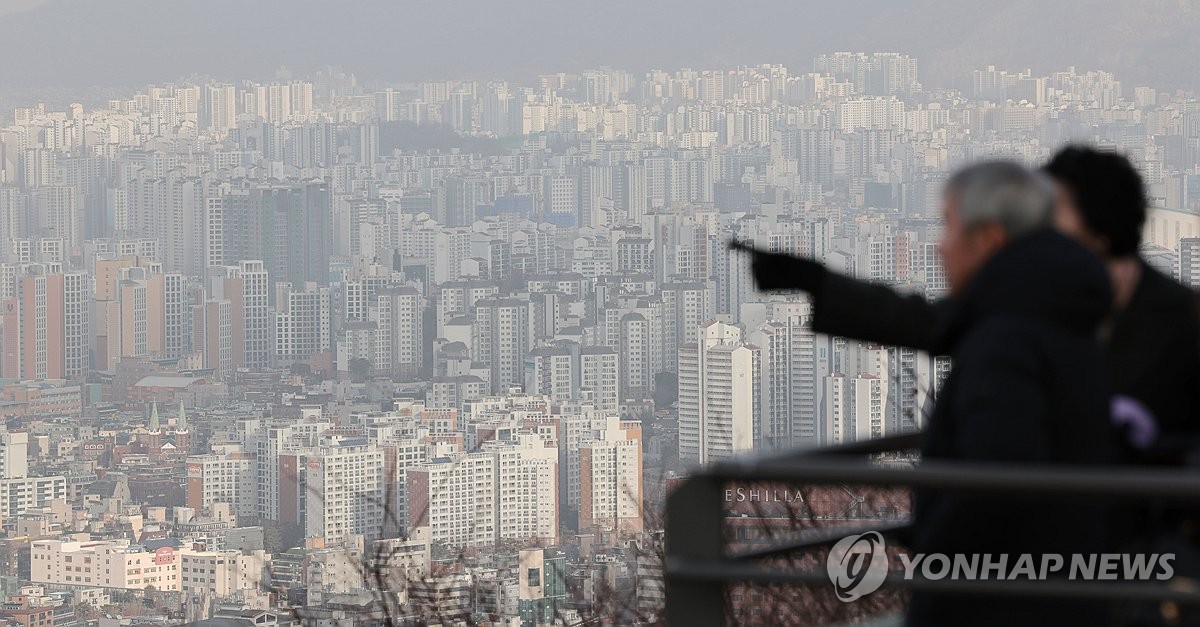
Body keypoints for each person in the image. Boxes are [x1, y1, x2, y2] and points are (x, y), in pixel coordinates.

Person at [747, 145, 1200, 461]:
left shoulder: (1183, 321)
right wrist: (816, 283)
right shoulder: (1030, 304)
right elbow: (929, 321)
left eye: (1052, 213)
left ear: (1100, 232)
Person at [897, 161, 1115, 626]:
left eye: (949, 226)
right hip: (1066, 587)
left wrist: (934, 550)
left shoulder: (1004, 338)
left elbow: (997, 473)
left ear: (988, 240)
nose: (940, 245)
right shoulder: (1063, 316)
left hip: (997, 604)